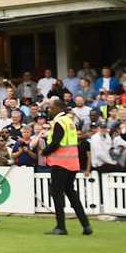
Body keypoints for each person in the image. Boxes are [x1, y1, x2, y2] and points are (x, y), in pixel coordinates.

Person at [42, 98, 92, 235]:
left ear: (57, 108)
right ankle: (86, 225)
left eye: (51, 108)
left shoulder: (59, 122)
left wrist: (44, 152)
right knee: (71, 193)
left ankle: (61, 227)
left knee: (57, 193)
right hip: (72, 163)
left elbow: (56, 143)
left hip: (60, 163)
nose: (49, 110)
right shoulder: (69, 121)